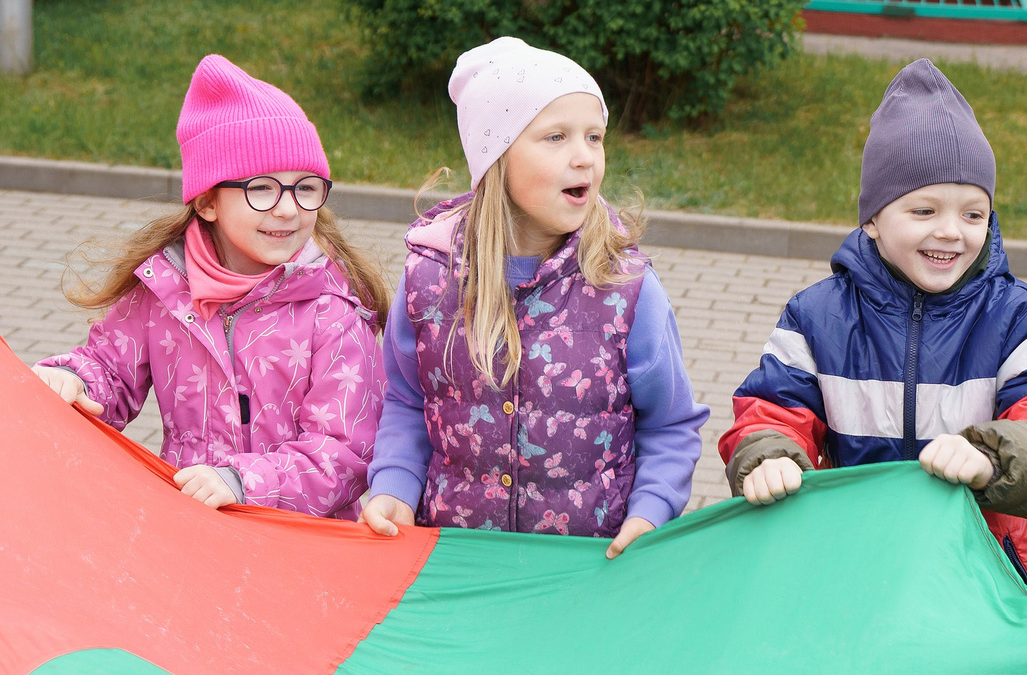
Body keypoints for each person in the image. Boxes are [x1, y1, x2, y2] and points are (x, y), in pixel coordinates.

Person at [721, 59, 1027, 596]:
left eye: (974, 214)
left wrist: (991, 456)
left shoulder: (1018, 317)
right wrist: (768, 456)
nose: (951, 231)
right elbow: (773, 409)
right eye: (924, 211)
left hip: (983, 579)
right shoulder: (817, 317)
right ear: (873, 219)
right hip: (852, 567)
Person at [361, 39, 708, 556]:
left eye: (595, 137)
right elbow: (409, 403)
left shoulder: (626, 288)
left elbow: (671, 424)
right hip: (457, 557)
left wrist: (652, 510)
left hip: (587, 569)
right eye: (556, 137)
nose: (584, 156)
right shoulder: (429, 281)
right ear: (495, 157)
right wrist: (394, 485)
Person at [34, 55, 387, 519]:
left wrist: (245, 481)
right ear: (207, 201)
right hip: (192, 528)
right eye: (261, 189)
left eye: (305, 187)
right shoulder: (162, 289)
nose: (288, 209)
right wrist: (74, 379)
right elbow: (110, 372)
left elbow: (344, 452)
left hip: (302, 546)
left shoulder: (333, 308)